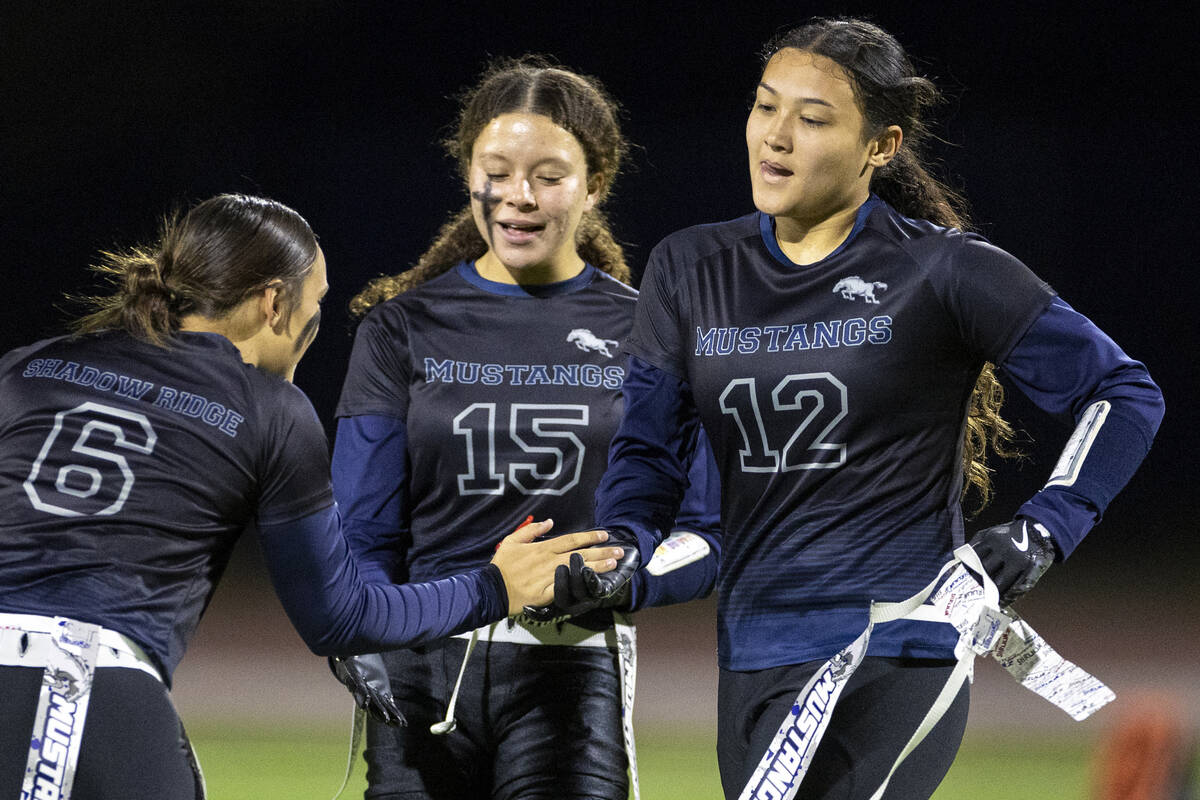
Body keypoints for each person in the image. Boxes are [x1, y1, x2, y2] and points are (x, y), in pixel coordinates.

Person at [551, 17, 1165, 800]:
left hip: (901, 641)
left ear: (881, 145)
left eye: (812, 119)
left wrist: (1049, 525)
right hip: (753, 652)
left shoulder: (942, 268)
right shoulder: (689, 266)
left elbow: (1125, 392)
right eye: (765, 107)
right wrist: (622, 552)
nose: (776, 137)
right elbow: (647, 455)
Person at [0, 193, 621, 800]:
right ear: (273, 302)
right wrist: (495, 586)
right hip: (76, 684)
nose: (314, 326)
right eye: (315, 302)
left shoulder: (30, 365)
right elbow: (341, 616)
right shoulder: (270, 408)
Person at [328, 56, 721, 800]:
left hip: (571, 676)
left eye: (549, 175)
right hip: (421, 672)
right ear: (468, 176)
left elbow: (706, 533)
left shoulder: (651, 332)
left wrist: (625, 574)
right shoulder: (400, 329)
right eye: (497, 170)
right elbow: (362, 531)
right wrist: (365, 631)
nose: (519, 197)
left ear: (595, 185)